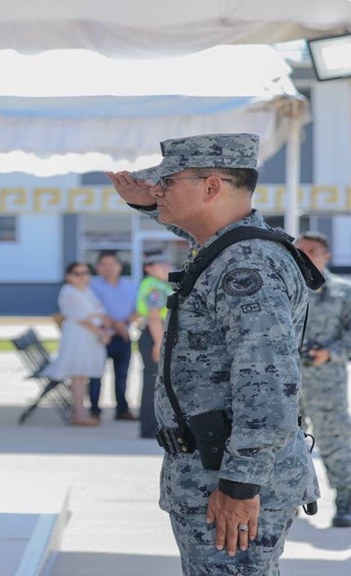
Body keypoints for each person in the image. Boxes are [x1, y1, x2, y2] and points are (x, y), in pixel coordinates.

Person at [107, 133, 319, 575]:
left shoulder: (247, 265)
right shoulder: (228, 249)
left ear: (211, 188)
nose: (157, 190)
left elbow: (267, 384)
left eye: (167, 182)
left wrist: (240, 485)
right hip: (213, 466)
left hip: (231, 474)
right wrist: (149, 204)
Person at [293, 231, 351, 528]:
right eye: (300, 250)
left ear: (326, 255)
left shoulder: (342, 290)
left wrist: (330, 353)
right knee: (287, 442)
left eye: (312, 251)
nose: (305, 256)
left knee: (336, 442)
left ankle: (346, 503)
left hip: (326, 381)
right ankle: (288, 502)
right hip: (287, 381)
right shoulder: (285, 287)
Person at [42, 262, 110, 427]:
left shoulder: (87, 291)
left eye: (85, 273)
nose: (82, 276)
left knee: (83, 374)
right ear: (69, 276)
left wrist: (103, 328)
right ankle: (79, 413)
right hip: (78, 339)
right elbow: (82, 317)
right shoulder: (69, 292)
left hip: (89, 339)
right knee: (78, 374)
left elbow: (100, 312)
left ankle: (81, 411)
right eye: (77, 273)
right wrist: (101, 332)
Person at [89, 252, 138, 421]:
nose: (110, 268)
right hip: (102, 336)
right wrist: (117, 325)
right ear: (98, 268)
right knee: (96, 376)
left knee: (122, 375)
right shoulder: (92, 286)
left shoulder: (130, 285)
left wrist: (124, 324)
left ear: (119, 266)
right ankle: (94, 410)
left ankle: (122, 410)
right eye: (105, 264)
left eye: (113, 264)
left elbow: (138, 309)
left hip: (123, 337)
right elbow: (93, 310)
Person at [135, 252, 173, 440]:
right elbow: (153, 317)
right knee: (153, 383)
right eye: (160, 265)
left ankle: (153, 425)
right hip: (154, 336)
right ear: (148, 268)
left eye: (166, 264)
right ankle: (149, 428)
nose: (166, 267)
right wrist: (159, 343)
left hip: (156, 335)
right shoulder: (154, 288)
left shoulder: (159, 285)